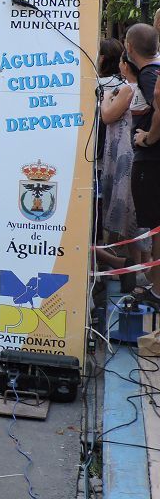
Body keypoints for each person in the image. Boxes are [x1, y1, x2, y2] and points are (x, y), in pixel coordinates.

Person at [124, 24, 160, 308]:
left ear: (130, 47)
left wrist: (149, 137)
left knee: (156, 227)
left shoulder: (149, 74)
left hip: (152, 161)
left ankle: (157, 290)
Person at [99, 44, 144, 264]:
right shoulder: (143, 85)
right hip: (133, 151)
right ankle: (140, 263)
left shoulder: (128, 88)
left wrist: (106, 97)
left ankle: (133, 264)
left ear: (126, 65)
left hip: (123, 152)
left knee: (125, 204)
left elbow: (107, 115)